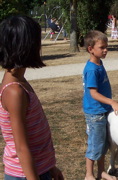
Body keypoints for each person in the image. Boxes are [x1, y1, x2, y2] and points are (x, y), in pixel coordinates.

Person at [0, 15, 64, 180]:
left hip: (39, 169)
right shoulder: (14, 91)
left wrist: (50, 167)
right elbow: (21, 148)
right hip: (24, 175)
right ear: (26, 46)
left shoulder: (20, 81)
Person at [83, 30, 118, 180]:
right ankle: (89, 174)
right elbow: (93, 93)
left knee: (103, 144)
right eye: (102, 47)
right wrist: (112, 102)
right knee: (95, 145)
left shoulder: (99, 63)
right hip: (95, 114)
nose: (105, 50)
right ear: (90, 49)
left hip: (103, 112)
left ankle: (101, 172)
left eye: (106, 47)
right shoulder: (92, 69)